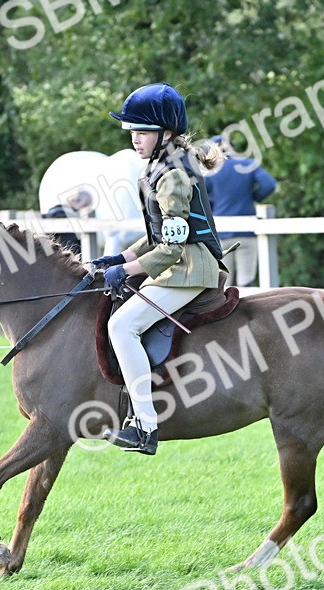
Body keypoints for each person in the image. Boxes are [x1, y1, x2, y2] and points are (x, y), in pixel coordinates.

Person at [92, 83, 227, 456]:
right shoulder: (153, 169)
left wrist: (131, 267)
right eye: (132, 132)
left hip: (190, 269)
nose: (136, 140)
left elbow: (172, 248)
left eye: (143, 132)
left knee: (122, 325)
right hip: (175, 265)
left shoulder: (172, 176)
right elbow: (155, 235)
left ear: (166, 133)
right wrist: (120, 258)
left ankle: (145, 427)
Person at [203, 135, 277, 287]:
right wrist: (254, 197)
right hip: (247, 231)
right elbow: (269, 184)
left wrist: (214, 206)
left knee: (223, 281)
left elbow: (202, 197)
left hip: (220, 233)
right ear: (232, 146)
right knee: (246, 280)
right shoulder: (247, 163)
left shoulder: (209, 171)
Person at [41, 188, 94, 255]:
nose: (87, 208)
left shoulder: (54, 213)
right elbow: (71, 247)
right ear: (74, 201)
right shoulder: (64, 216)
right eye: (85, 204)